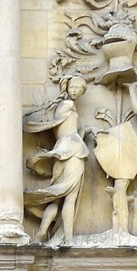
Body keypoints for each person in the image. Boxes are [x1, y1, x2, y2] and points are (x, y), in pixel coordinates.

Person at [23, 77, 90, 246]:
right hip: (73, 150)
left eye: (78, 89)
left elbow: (63, 129)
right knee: (70, 197)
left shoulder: (61, 106)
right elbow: (69, 132)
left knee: (56, 197)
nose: (75, 90)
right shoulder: (67, 106)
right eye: (73, 87)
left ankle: (43, 230)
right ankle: (68, 239)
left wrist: (83, 132)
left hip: (61, 151)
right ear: (67, 87)